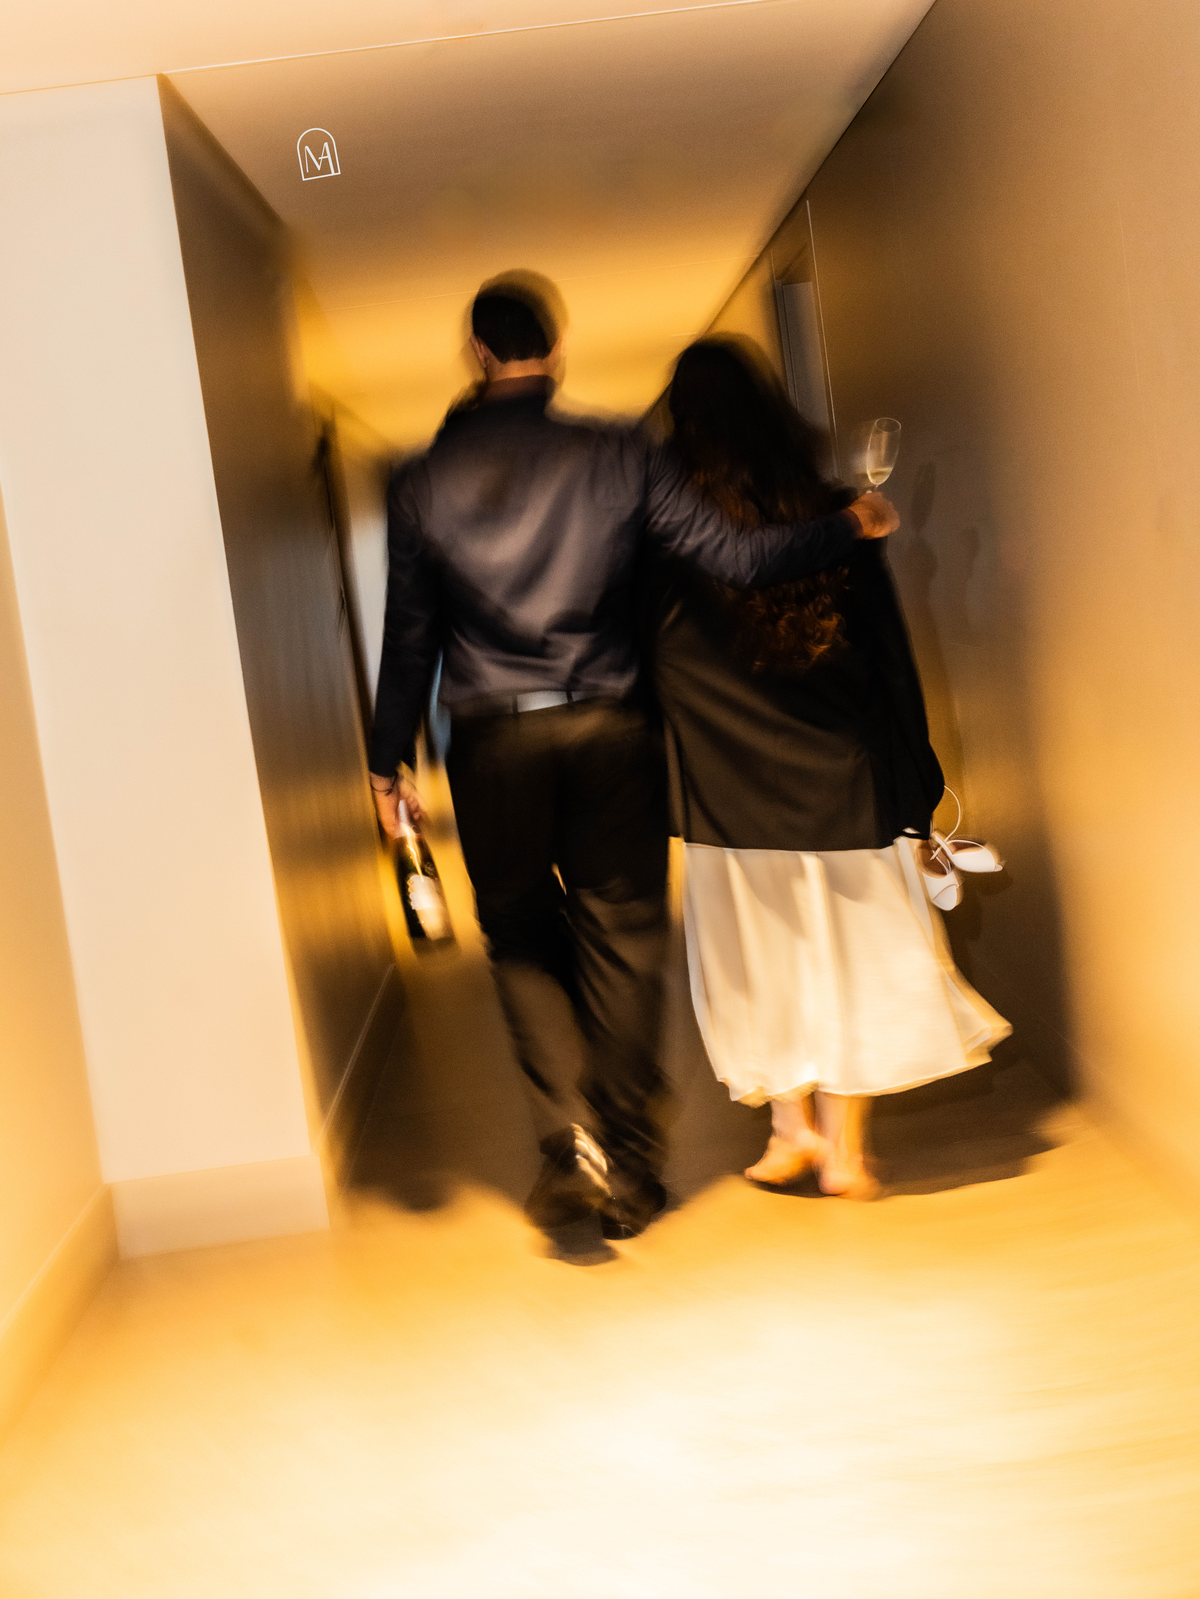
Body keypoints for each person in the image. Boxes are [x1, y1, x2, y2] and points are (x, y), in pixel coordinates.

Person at [366, 277, 898, 1241]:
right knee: (622, 937)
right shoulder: (620, 453)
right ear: (556, 348)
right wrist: (848, 526)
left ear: (477, 354)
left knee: (520, 934)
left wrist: (384, 766)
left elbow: (409, 637)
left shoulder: (419, 480)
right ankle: (633, 1164)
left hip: (490, 742)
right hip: (610, 731)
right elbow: (740, 560)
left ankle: (567, 1138)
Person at [648, 336, 1009, 1199]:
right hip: (841, 771)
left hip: (726, 785)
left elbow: (646, 661)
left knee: (757, 961)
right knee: (859, 955)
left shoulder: (665, 540)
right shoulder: (838, 516)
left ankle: (790, 1132)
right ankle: (843, 1149)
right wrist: (917, 778)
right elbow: (888, 657)